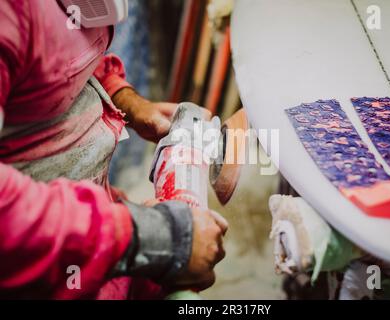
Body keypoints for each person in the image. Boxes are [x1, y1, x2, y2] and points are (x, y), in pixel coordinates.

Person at [0, 0, 227, 299]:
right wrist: (155, 236)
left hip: (87, 221)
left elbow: (65, 60)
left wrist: (127, 100)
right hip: (40, 260)